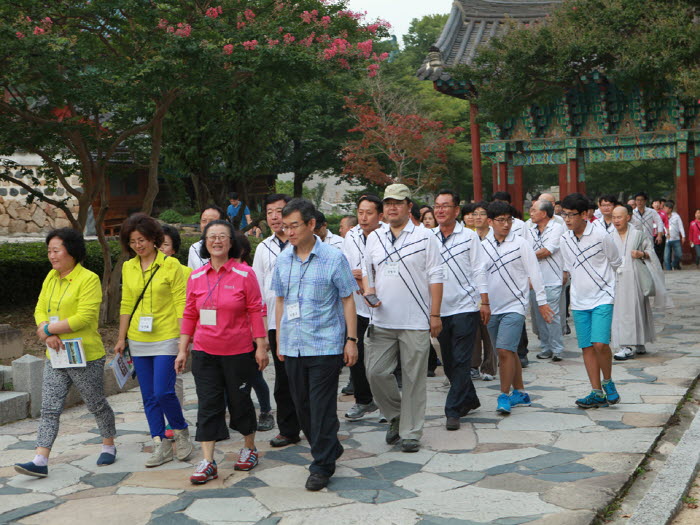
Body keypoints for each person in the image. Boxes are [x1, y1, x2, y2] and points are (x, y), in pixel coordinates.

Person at [271, 198, 359, 491]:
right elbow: (280, 300)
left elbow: (348, 298)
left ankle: (321, 465)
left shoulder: (333, 258)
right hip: (294, 345)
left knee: (321, 407)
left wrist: (351, 340)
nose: (289, 232)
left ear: (311, 224)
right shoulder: (284, 258)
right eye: (286, 227)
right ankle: (329, 447)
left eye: (294, 225)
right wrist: (280, 340)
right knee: (302, 407)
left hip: (325, 345)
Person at [14, 229, 117, 478]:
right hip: (56, 355)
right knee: (49, 407)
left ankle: (108, 445)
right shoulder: (51, 277)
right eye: (49, 250)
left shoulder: (88, 279)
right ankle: (40, 459)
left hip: (85, 355)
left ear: (71, 250)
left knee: (95, 403)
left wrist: (48, 328)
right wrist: (46, 334)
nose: (51, 256)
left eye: (56, 250)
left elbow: (84, 317)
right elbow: (39, 308)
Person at [176, 220, 269, 484]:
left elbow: (255, 310)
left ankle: (249, 447)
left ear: (231, 242)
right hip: (205, 353)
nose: (216, 241)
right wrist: (183, 349)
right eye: (211, 237)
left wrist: (261, 346)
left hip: (239, 352)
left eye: (222, 237)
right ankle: (208, 461)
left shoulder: (244, 273)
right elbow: (190, 314)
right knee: (208, 404)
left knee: (239, 401)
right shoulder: (195, 277)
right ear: (205, 243)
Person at [363, 184, 444, 453]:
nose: (392, 207)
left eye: (398, 202)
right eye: (387, 203)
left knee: (413, 379)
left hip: (415, 320)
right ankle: (397, 415)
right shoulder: (375, 237)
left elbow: (436, 276)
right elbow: (368, 271)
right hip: (382, 319)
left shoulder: (425, 237)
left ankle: (411, 431)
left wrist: (435, 314)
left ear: (409, 206)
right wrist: (369, 291)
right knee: (375, 372)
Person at [115, 213, 192, 467]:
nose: (138, 245)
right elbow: (126, 303)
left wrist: (184, 343)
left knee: (163, 391)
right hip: (138, 338)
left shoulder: (171, 265)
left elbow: (183, 304)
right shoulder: (129, 266)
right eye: (133, 240)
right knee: (148, 395)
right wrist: (121, 337)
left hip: (167, 336)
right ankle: (160, 443)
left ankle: (180, 431)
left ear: (154, 239)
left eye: (143, 239)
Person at [482, 201, 552, 415]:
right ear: (490, 222)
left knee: (503, 351)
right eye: (501, 220)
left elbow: (535, 273)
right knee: (507, 351)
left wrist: (541, 302)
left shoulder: (521, 243)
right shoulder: (482, 245)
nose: (506, 224)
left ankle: (504, 395)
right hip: (492, 307)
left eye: (509, 219)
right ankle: (521, 391)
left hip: (515, 305)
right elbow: (477, 275)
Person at [432, 190, 489, 430]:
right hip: (439, 309)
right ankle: (470, 398)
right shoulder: (428, 237)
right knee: (450, 361)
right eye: (437, 206)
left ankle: (452, 410)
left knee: (463, 360)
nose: (440, 210)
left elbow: (479, 268)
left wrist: (484, 300)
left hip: (465, 306)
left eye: (446, 206)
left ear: (457, 211)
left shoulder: (469, 236)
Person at [560, 193, 622, 409]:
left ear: (585, 214)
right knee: (587, 347)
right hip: (579, 300)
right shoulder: (565, 238)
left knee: (600, 343)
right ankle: (596, 392)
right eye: (564, 215)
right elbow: (569, 268)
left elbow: (616, 261)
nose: (567, 219)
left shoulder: (601, 235)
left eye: (571, 215)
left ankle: (608, 381)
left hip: (603, 296)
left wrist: (609, 288)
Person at [252, 194, 301, 448]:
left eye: (279, 211)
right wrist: (259, 330)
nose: (274, 216)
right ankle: (288, 429)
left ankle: (312, 422)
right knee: (282, 379)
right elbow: (257, 291)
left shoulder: (302, 243)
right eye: (269, 211)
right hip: (275, 322)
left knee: (303, 376)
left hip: (304, 320)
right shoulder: (263, 248)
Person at [341, 195, 384, 421]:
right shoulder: (351, 236)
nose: (363, 217)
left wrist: (365, 275)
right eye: (360, 212)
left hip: (384, 307)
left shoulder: (387, 234)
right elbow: (345, 268)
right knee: (356, 356)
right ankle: (363, 400)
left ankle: (389, 404)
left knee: (384, 361)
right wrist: (357, 276)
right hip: (358, 307)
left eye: (369, 213)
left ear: (380, 215)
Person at [235, 231, 274, 431]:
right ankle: (242, 413)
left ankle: (266, 411)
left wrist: (261, 336)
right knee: (238, 378)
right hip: (231, 337)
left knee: (254, 376)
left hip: (250, 334)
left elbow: (259, 305)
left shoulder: (248, 272)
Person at [610, 205, 656, 360]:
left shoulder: (638, 235)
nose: (616, 220)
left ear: (628, 217)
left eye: (619, 217)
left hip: (634, 278)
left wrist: (641, 254)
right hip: (616, 278)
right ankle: (626, 345)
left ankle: (638, 342)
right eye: (613, 217)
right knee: (622, 312)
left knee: (636, 310)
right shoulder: (609, 236)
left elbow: (651, 253)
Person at [159, 224, 190, 439]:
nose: (160, 248)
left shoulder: (185, 272)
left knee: (173, 380)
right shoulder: (144, 269)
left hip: (174, 332)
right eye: (157, 243)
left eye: (165, 245)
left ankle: (175, 420)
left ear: (174, 249)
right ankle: (160, 422)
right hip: (151, 334)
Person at [527, 200, 566, 362]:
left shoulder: (557, 228)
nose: (531, 213)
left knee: (551, 314)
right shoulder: (529, 230)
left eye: (534, 210)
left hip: (551, 278)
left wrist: (527, 256)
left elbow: (547, 251)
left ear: (544, 213)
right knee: (538, 314)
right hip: (534, 279)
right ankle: (546, 347)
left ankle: (557, 348)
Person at [471, 201, 498, 381]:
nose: (477, 217)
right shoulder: (469, 237)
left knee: (488, 330)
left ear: (488, 219)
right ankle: (472, 366)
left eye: (481, 214)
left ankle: (489, 367)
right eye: (475, 214)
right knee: (473, 331)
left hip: (491, 289)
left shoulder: (495, 240)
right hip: (471, 291)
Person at [188, 205, 226, 270]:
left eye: (211, 221)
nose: (207, 225)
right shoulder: (194, 248)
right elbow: (192, 276)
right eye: (204, 221)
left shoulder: (229, 246)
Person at [663, 200, 686, 271]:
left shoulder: (676, 216)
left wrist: (683, 236)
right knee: (666, 257)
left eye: (665, 208)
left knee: (679, 254)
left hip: (676, 239)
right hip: (666, 239)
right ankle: (668, 270)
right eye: (664, 208)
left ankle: (674, 264)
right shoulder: (662, 216)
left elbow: (680, 226)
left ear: (670, 209)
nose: (664, 209)